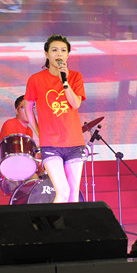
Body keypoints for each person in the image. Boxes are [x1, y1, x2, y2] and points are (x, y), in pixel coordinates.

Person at [23, 34, 86, 203]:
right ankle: (55, 221)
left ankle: (68, 222)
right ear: (46, 54)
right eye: (54, 50)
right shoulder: (36, 79)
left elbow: (75, 103)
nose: (59, 54)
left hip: (74, 142)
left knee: (73, 194)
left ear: (68, 55)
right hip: (51, 143)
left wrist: (65, 82)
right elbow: (28, 108)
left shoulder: (75, 77)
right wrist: (39, 132)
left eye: (63, 50)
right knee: (63, 192)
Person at [0, 95, 37, 195]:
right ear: (16, 111)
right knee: (36, 183)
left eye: (32, 107)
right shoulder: (10, 124)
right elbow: (15, 156)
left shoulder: (29, 131)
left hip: (24, 170)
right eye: (24, 108)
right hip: (10, 174)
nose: (29, 111)